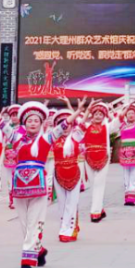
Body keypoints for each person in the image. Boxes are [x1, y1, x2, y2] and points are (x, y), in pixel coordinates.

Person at [0, 96, 64, 268]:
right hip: (19, 186)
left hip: (39, 187)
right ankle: (39, 250)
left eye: (36, 121)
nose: (33, 123)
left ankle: (27, 258)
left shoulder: (47, 139)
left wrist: (79, 112)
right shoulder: (16, 138)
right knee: (24, 223)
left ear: (41, 123)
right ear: (24, 123)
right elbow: (2, 123)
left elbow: (62, 127)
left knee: (34, 222)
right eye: (29, 121)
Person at [52, 102, 88, 243]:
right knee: (61, 202)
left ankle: (69, 229)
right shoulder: (53, 138)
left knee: (71, 202)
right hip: (58, 173)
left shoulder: (75, 137)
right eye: (62, 124)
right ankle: (64, 226)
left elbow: (83, 124)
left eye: (68, 124)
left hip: (74, 173)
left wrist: (84, 110)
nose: (65, 127)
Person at [82, 100, 119, 222]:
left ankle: (95, 212)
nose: (98, 116)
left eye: (100, 114)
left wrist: (112, 111)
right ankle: (100, 209)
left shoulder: (107, 127)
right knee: (94, 185)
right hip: (89, 159)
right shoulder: (87, 127)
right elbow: (79, 125)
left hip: (103, 158)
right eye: (95, 114)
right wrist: (87, 110)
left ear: (104, 116)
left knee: (99, 184)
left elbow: (118, 121)